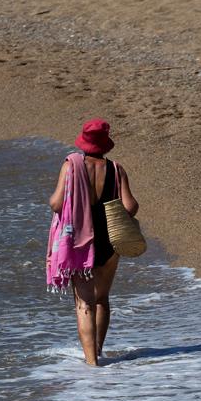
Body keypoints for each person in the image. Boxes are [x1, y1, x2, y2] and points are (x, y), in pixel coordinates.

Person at [46, 119, 140, 366]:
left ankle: (92, 364)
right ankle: (98, 351)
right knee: (102, 299)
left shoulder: (72, 166)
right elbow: (130, 206)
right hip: (109, 240)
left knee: (84, 303)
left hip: (80, 242)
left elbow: (56, 203)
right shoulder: (116, 169)